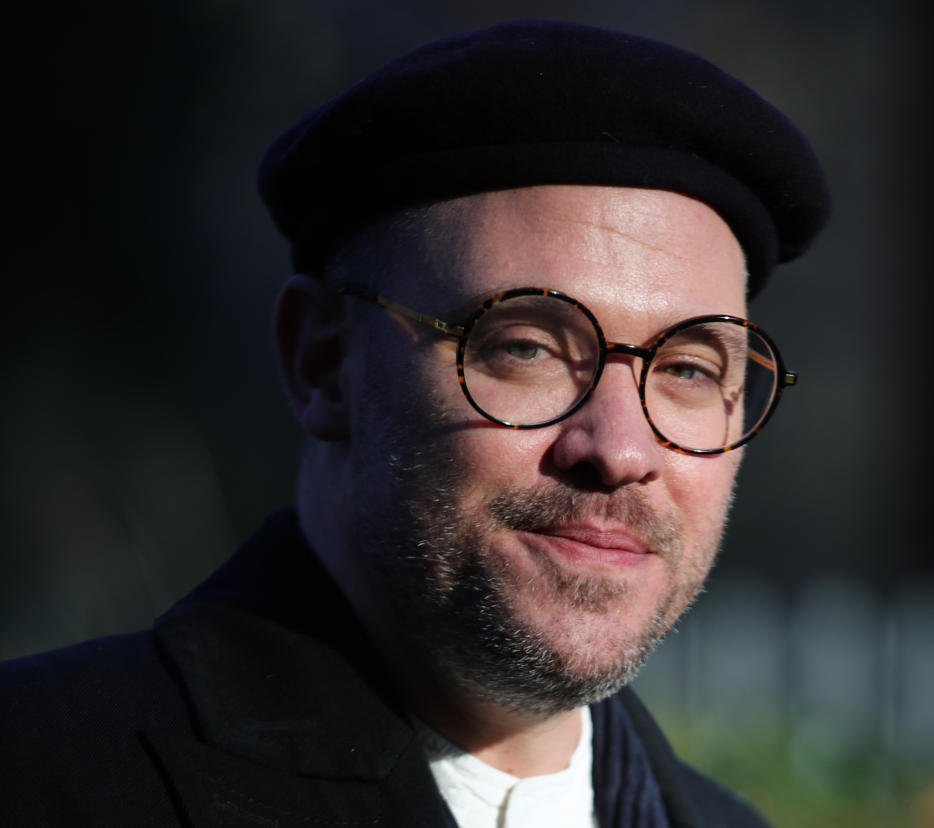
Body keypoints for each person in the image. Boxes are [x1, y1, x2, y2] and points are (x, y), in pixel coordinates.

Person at [0, 18, 828, 827]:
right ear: (324, 362)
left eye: (688, 368)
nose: (617, 447)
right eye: (527, 346)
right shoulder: (42, 774)